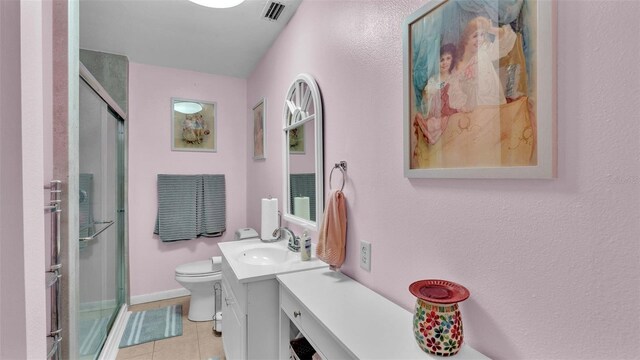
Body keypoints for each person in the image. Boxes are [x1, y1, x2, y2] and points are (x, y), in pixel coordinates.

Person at [448, 16, 517, 112]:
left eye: (482, 35)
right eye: (475, 36)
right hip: (473, 109)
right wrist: (463, 108)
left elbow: (505, 39)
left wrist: (490, 29)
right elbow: (454, 90)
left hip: (492, 103)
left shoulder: (484, 50)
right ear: (465, 39)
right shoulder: (458, 64)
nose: (480, 39)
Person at [415, 43, 459, 145]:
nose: (445, 62)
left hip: (448, 112)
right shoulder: (433, 80)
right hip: (434, 113)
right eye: (441, 60)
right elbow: (426, 99)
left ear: (452, 60)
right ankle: (430, 135)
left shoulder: (454, 78)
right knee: (425, 120)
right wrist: (429, 93)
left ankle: (432, 134)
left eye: (448, 58)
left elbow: (457, 98)